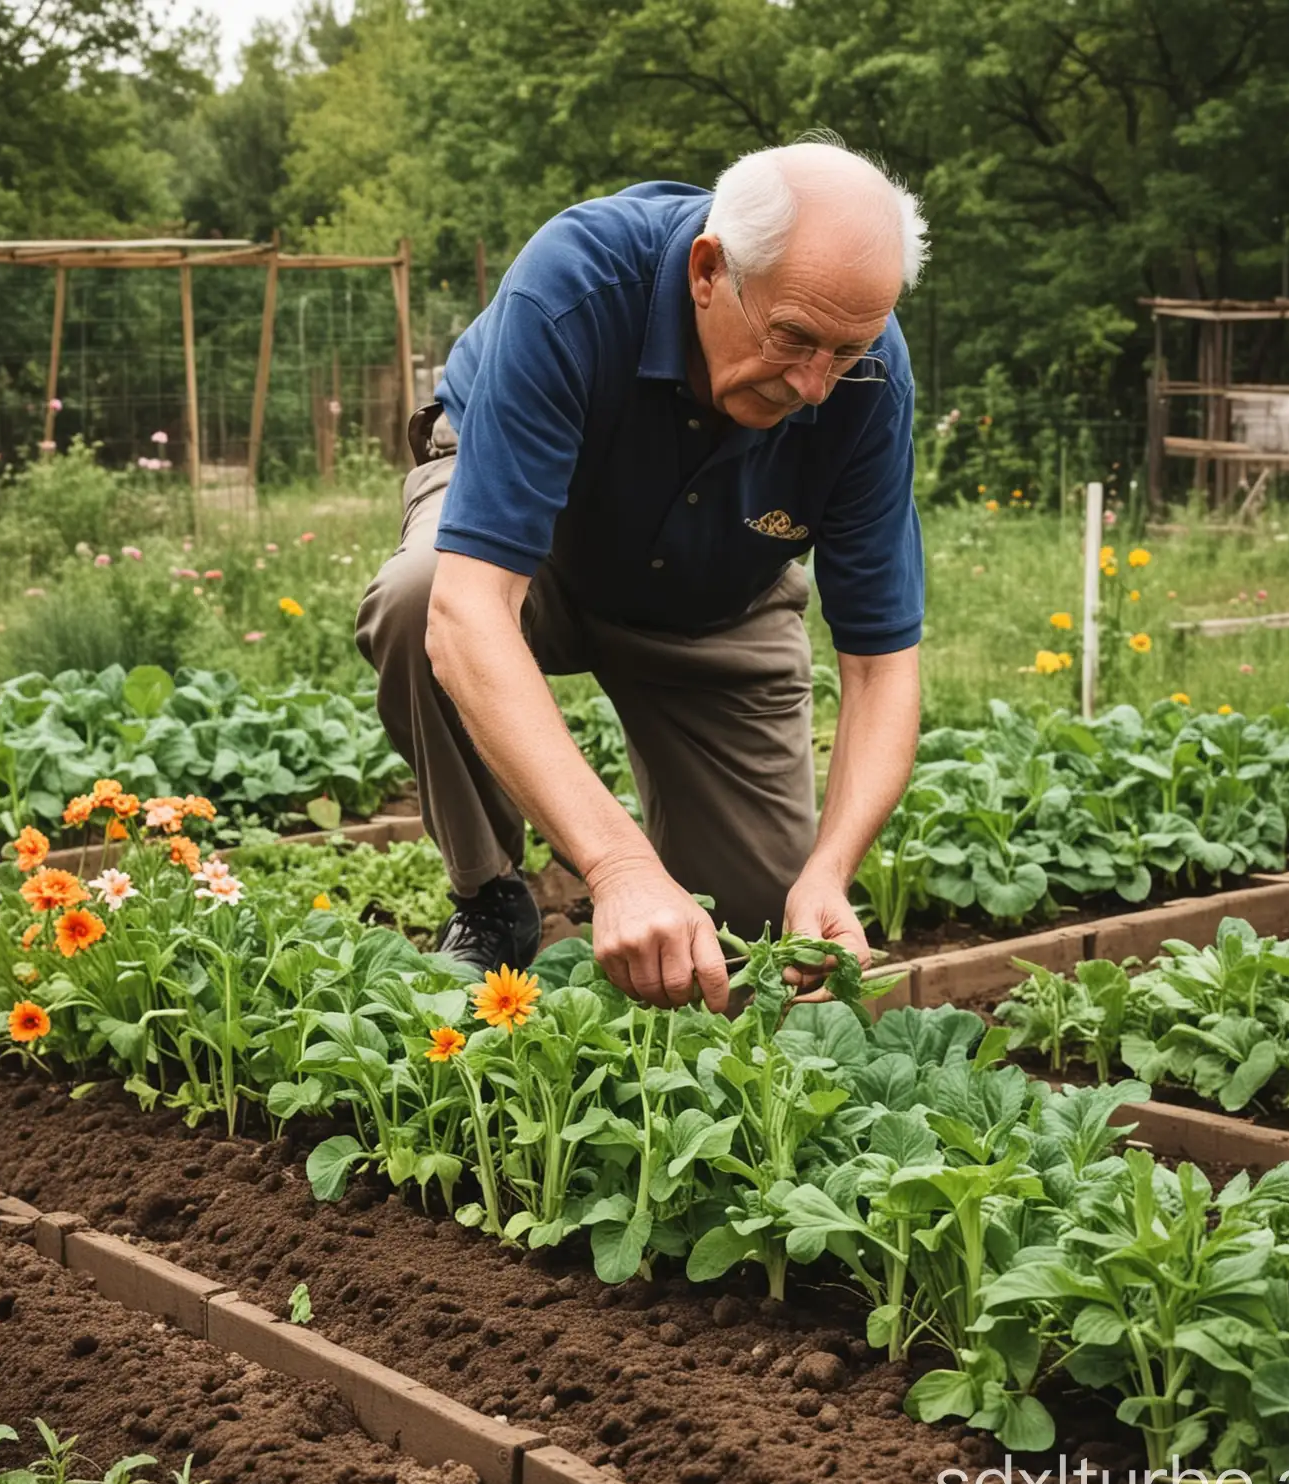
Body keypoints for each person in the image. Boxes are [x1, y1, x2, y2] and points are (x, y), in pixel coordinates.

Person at [356, 138, 926, 1015]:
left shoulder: (868, 378)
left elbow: (883, 664)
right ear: (708, 271)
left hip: (715, 595)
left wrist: (830, 870)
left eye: (845, 352)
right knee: (420, 595)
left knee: (758, 942)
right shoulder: (576, 284)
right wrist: (619, 867)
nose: (816, 385)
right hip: (530, 551)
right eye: (793, 339)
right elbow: (470, 612)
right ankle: (491, 898)